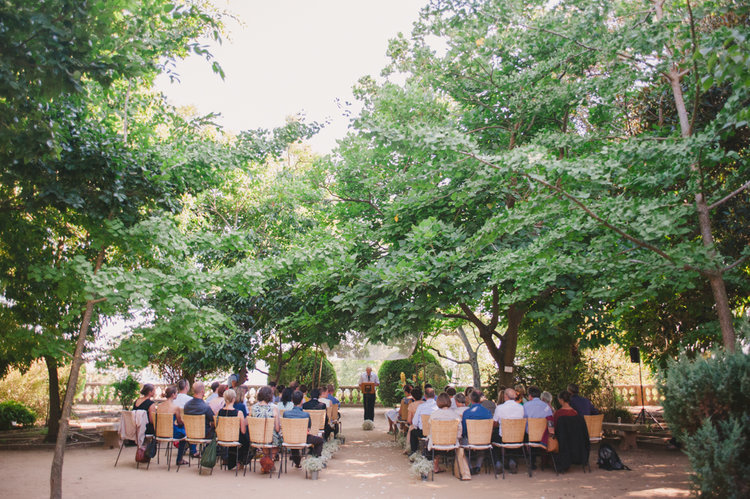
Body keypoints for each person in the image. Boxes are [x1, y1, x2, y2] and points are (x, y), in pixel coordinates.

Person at [427, 393, 468, 477]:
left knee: (429, 440)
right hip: (452, 444)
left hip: (437, 444)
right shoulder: (455, 415)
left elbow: (431, 431)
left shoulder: (433, 415)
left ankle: (434, 466)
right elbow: (459, 431)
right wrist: (456, 438)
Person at [283, 390, 325, 467]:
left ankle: (297, 463)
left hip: (289, 438)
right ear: (302, 400)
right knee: (320, 440)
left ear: (292, 401)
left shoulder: (285, 414)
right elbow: (309, 428)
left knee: (294, 441)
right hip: (303, 438)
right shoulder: (305, 415)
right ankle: (315, 461)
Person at [492, 387, 524, 473]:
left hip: (503, 437)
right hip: (517, 437)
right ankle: (512, 460)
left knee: (494, 437)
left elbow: (494, 423)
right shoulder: (521, 408)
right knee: (512, 440)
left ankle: (498, 461)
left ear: (505, 396)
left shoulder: (500, 408)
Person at [461, 390, 493, 474]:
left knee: (461, 444)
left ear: (471, 399)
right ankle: (478, 466)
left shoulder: (467, 412)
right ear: (480, 399)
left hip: (470, 441)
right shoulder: (488, 412)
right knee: (481, 446)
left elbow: (464, 430)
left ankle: (469, 467)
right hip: (484, 440)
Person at [217, 388, 249, 470]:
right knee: (246, 439)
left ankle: (231, 461)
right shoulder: (239, 413)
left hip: (223, 437)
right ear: (234, 399)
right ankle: (240, 461)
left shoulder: (219, 412)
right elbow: (243, 431)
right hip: (235, 438)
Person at [157, 386, 188, 465]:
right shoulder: (175, 407)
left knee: (182, 430)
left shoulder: (159, 406)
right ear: (173, 394)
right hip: (171, 432)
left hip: (160, 432)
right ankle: (179, 459)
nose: (177, 395)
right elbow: (179, 422)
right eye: (176, 393)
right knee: (184, 434)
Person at [251, 386, 282, 464]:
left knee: (266, 438)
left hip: (256, 437)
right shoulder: (274, 408)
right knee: (277, 438)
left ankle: (267, 461)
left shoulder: (253, 408)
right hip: (270, 438)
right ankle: (270, 460)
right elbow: (277, 428)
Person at [410, 387, 438, 453]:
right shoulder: (438, 407)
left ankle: (414, 452)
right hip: (436, 432)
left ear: (424, 396)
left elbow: (414, 422)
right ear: (434, 396)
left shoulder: (421, 407)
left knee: (413, 432)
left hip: (423, 432)